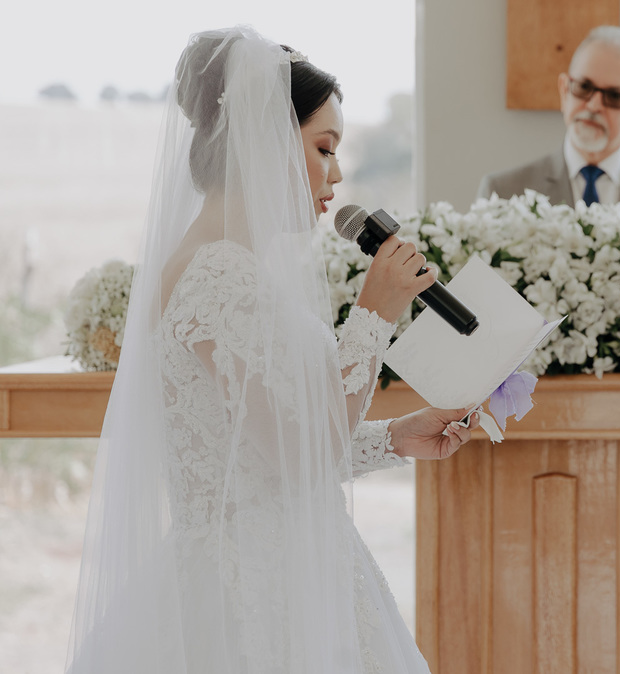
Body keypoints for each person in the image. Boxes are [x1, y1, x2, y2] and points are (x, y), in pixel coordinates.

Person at [66, 27, 476, 673]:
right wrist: (373, 315)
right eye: (324, 148)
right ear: (261, 140)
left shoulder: (228, 269)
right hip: (253, 586)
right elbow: (294, 456)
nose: (336, 176)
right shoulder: (218, 275)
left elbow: (271, 446)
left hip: (290, 561)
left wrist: (395, 436)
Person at [477, 25, 620, 214]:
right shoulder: (502, 194)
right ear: (564, 90)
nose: (594, 105)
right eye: (584, 87)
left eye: (615, 96)